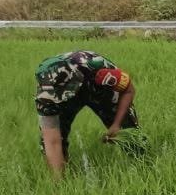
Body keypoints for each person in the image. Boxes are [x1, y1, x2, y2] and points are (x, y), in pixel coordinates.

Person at [35, 50, 139, 179]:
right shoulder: (45, 98)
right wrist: (58, 183)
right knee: (49, 144)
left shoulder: (97, 68)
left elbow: (129, 90)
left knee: (128, 131)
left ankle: (143, 165)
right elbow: (51, 141)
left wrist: (116, 124)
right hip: (71, 91)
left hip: (94, 86)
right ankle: (61, 178)